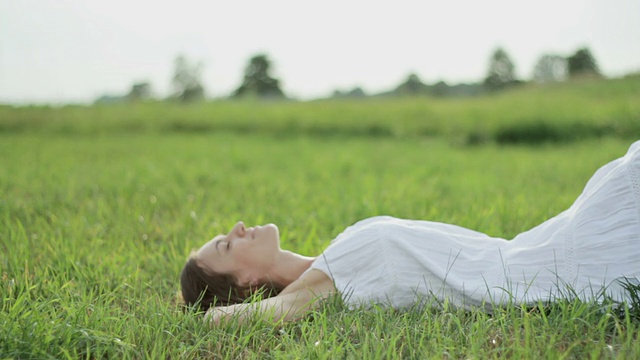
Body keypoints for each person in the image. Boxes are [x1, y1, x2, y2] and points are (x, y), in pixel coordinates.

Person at [180, 140, 640, 324]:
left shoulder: (332, 259)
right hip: (545, 269)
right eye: (226, 244)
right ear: (246, 283)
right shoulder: (317, 288)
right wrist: (198, 308)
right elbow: (227, 317)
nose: (238, 228)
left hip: (536, 246)